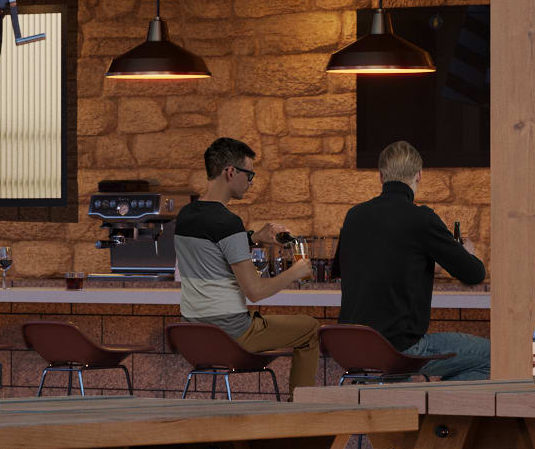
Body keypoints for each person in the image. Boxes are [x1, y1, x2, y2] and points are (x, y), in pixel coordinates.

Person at [334, 141, 491, 380]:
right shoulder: (421, 219)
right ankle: (437, 414)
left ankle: (409, 403)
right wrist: (466, 252)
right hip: (399, 349)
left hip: (352, 348)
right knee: (492, 356)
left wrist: (424, 263)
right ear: (419, 175)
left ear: (381, 176)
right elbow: (474, 274)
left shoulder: (354, 215)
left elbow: (346, 267)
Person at [172, 136, 318, 389]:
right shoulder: (228, 222)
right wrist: (296, 271)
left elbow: (213, 246)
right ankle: (298, 410)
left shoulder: (186, 215)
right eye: (249, 175)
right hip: (233, 335)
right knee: (311, 329)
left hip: (194, 336)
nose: (251, 183)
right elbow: (255, 291)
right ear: (230, 172)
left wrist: (254, 237)